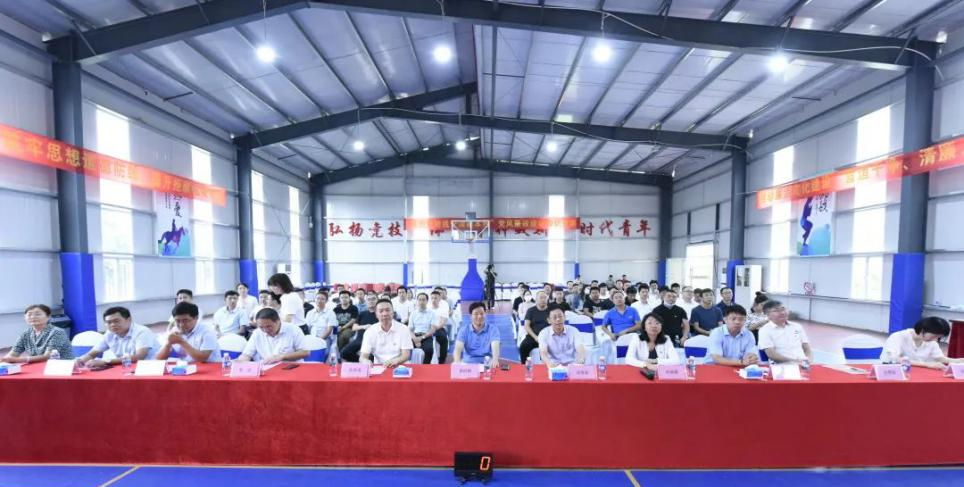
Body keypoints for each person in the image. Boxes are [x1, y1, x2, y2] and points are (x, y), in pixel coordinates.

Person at [77, 306, 159, 368]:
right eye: (109, 322)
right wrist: (79, 361)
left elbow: (139, 357)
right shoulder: (109, 334)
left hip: (149, 368)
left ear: (129, 320)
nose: (112, 325)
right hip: (126, 368)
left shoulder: (142, 331)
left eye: (116, 321)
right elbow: (91, 354)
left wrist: (106, 361)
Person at [881, 316, 962, 368]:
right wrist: (927, 364)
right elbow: (893, 358)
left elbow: (939, 358)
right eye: (934, 336)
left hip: (919, 374)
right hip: (897, 373)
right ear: (922, 330)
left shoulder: (931, 342)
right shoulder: (898, 337)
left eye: (939, 337)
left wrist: (958, 361)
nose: (935, 340)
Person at [3, 304, 73, 363]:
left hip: (61, 366)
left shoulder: (57, 332)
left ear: (48, 317)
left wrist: (17, 360)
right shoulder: (26, 334)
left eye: (37, 314)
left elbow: (47, 356)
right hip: (37, 366)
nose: (33, 317)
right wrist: (5, 360)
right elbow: (13, 353)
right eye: (29, 314)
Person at [236, 308, 309, 364]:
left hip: (291, 368)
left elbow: (305, 352)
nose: (265, 330)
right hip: (267, 369)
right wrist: (240, 362)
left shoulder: (293, 329)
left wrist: (282, 356)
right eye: (261, 327)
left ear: (278, 321)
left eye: (269, 326)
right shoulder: (257, 333)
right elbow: (247, 354)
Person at [155, 302, 220, 363]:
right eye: (177, 321)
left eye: (185, 320)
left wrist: (181, 342)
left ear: (196, 318)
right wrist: (168, 343)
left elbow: (202, 358)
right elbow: (158, 359)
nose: (181, 325)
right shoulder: (175, 331)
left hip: (211, 367)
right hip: (187, 367)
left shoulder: (207, 332)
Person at [359, 299, 413, 366]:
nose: (384, 314)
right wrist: (365, 361)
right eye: (381, 311)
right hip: (380, 367)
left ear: (393, 312)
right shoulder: (370, 331)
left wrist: (395, 361)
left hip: (400, 366)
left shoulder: (403, 329)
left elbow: (406, 355)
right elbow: (363, 356)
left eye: (387, 310)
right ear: (376, 314)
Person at [408, 292, 449, 364]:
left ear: (427, 301)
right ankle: (410, 366)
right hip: (415, 335)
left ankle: (425, 366)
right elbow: (410, 329)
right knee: (405, 349)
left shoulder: (432, 313)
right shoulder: (413, 313)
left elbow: (432, 329)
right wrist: (415, 339)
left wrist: (421, 338)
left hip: (426, 335)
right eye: (420, 300)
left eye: (423, 300)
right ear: (417, 301)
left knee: (429, 350)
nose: (421, 302)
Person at [340, 293, 379, 362]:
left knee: (372, 357)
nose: (371, 301)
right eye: (369, 299)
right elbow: (354, 327)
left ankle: (367, 362)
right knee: (344, 353)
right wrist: (364, 327)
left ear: (377, 300)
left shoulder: (380, 314)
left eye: (373, 299)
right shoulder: (362, 313)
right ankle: (361, 363)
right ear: (366, 301)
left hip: (375, 340)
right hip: (360, 340)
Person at [518, 291, 551, 364]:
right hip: (533, 337)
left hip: (548, 337)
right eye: (541, 298)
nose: (543, 300)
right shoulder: (531, 311)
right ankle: (524, 365)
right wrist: (535, 337)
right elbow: (526, 326)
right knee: (523, 346)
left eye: (545, 298)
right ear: (536, 299)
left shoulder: (551, 311)